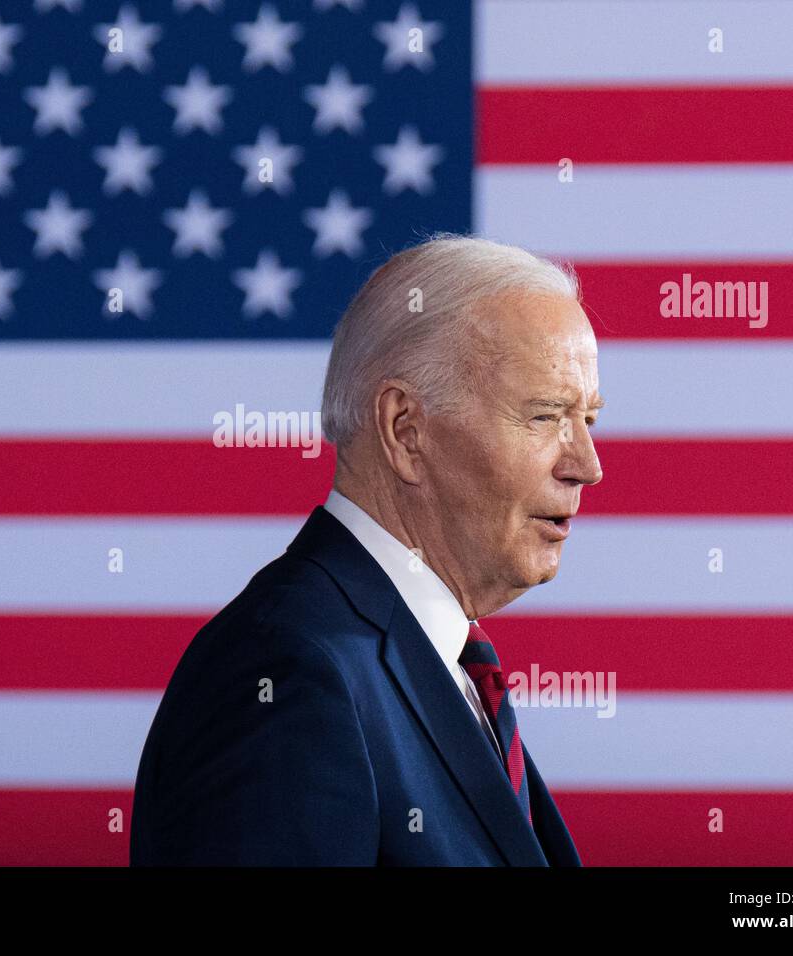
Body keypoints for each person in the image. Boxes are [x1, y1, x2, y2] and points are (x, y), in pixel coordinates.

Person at [130, 233, 604, 865]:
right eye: (545, 416)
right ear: (405, 430)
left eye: (587, 420)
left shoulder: (436, 662)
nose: (587, 466)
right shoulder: (286, 669)